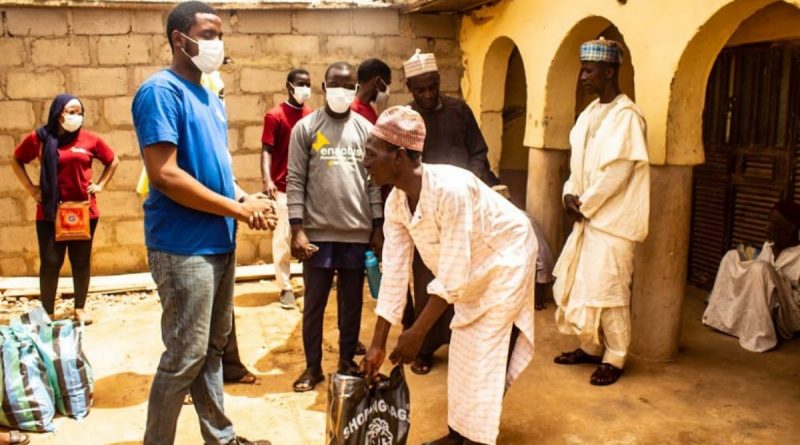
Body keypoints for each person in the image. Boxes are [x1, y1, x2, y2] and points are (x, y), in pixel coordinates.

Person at [131, 2, 275, 444]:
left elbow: (216, 167)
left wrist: (244, 195)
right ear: (181, 39)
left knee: (211, 351)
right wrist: (238, 210)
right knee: (184, 356)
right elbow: (166, 175)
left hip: (217, 241)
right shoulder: (161, 92)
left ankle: (221, 438)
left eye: (219, 34)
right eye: (208, 34)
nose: (218, 42)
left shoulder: (210, 97)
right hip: (182, 247)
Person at [361, 105, 536, 445]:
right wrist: (378, 343)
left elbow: (453, 279)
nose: (365, 161)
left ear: (398, 156)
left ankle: (474, 439)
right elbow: (395, 274)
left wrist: (417, 333)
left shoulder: (450, 190)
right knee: (463, 351)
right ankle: (459, 433)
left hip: (506, 259)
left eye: (371, 153)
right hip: (470, 269)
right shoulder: (396, 203)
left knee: (484, 349)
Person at [551, 37, 650, 386]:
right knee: (581, 286)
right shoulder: (589, 114)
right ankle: (591, 348)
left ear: (609, 72)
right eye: (582, 70)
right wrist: (568, 193)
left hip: (612, 224)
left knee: (609, 293)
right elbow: (575, 167)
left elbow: (616, 174)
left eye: (589, 70)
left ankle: (616, 357)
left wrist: (584, 205)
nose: (582, 77)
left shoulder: (627, 117)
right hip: (587, 217)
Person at [400, 49, 502, 375]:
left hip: (463, 210)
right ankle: (425, 347)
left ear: (439, 81)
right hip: (425, 213)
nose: (427, 95)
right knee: (426, 278)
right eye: (420, 89)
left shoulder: (460, 111)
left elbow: (479, 153)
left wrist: (469, 185)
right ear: (409, 88)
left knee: (465, 280)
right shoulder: (405, 120)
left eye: (432, 86)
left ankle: (464, 344)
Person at [286, 61, 383, 392]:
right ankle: (312, 368)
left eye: (349, 86)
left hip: (356, 233)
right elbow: (296, 180)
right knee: (314, 303)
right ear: (324, 87)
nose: (342, 91)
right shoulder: (306, 128)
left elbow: (373, 182)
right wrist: (296, 228)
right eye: (335, 85)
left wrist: (377, 225)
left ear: (356, 90)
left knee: (351, 304)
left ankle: (345, 362)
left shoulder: (366, 131)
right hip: (317, 234)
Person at [11, 94, 119, 325]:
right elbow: (16, 159)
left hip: (83, 211)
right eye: (71, 111)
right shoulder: (39, 139)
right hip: (50, 212)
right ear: (58, 113)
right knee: (51, 261)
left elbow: (113, 160)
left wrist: (100, 184)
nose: (76, 116)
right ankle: (47, 311)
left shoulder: (90, 140)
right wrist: (31, 188)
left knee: (81, 261)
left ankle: (79, 308)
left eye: (79, 112)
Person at [703, 201, 800, 352]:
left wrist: (778, 285)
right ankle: (721, 319)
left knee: (761, 268)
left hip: (788, 314)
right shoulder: (768, 247)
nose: (767, 228)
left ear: (792, 227)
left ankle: (762, 334)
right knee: (732, 256)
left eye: (775, 224)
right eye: (768, 222)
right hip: (764, 304)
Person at [261, 68, 313, 310]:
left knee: (309, 235)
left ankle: (312, 281)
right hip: (283, 188)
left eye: (308, 84)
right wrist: (267, 179)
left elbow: (319, 145)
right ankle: (285, 287)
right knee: (283, 239)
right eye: (300, 84)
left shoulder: (311, 115)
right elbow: (267, 151)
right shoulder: (275, 116)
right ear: (289, 86)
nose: (305, 88)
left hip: (308, 187)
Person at [352, 58, 392, 124]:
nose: (387, 91)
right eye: (387, 84)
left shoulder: (369, 109)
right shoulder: (353, 111)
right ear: (378, 82)